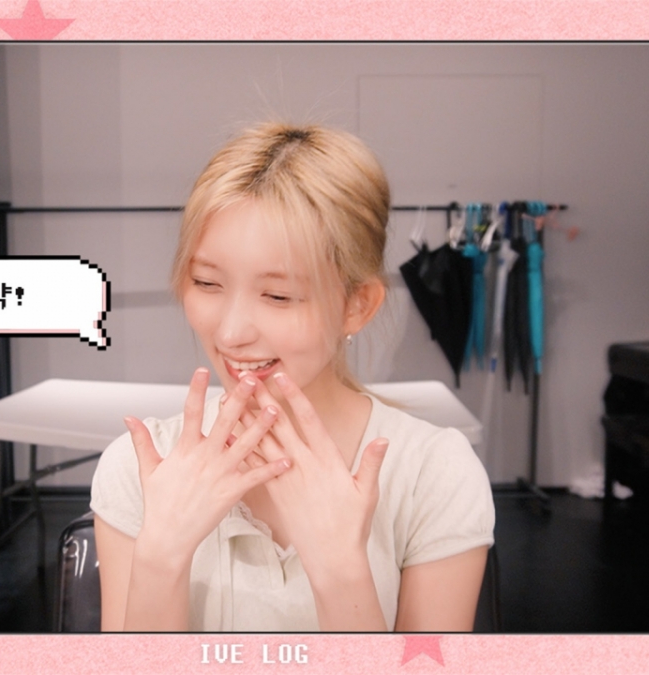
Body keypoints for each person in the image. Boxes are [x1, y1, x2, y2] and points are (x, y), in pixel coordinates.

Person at [90, 123, 495, 632]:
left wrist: (340, 571)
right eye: (207, 283)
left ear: (357, 305)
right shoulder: (139, 467)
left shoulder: (435, 474)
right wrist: (161, 556)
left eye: (278, 296)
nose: (231, 333)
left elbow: (425, 659)